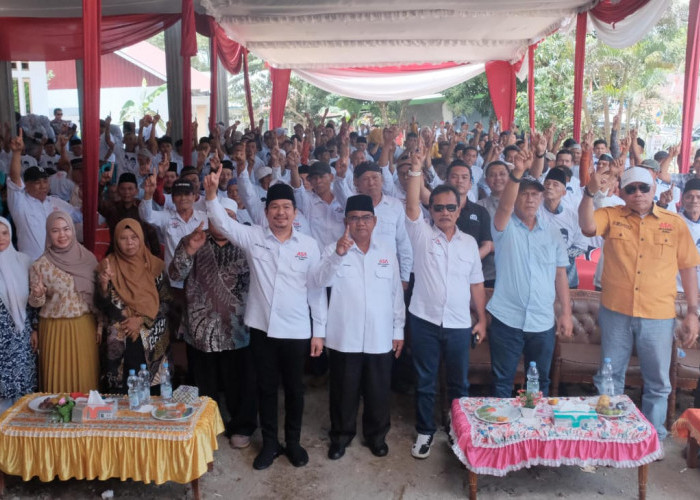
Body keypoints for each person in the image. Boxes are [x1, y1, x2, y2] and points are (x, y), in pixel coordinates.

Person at [203, 168, 327, 471]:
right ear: (266, 211)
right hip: (262, 329)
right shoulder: (254, 237)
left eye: (286, 207)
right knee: (267, 388)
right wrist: (210, 195)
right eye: (275, 207)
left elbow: (316, 292)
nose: (281, 213)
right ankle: (270, 444)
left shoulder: (308, 245)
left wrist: (319, 332)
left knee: (295, 390)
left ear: (295, 212)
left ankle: (293, 443)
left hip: (298, 330)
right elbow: (222, 223)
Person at [579, 166, 700, 440]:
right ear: (621, 192)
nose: (638, 194)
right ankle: (610, 433)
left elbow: (689, 268)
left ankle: (652, 436)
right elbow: (587, 226)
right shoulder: (611, 215)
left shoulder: (675, 223)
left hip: (658, 315)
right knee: (610, 377)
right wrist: (589, 192)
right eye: (631, 189)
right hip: (616, 313)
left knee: (658, 381)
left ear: (654, 189)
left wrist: (693, 312)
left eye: (643, 188)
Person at [405, 150, 487, 459]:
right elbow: (412, 205)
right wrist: (416, 171)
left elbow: (476, 283)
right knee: (425, 382)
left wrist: (481, 319)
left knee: (458, 383)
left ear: (459, 208)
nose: (444, 213)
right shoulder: (422, 235)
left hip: (458, 324)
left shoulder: (468, 243)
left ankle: (458, 432)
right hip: (424, 320)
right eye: (438, 208)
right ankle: (425, 431)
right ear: (431, 210)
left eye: (450, 207)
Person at [311, 194, 405, 460]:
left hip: (380, 335)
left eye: (366, 218)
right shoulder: (333, 249)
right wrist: (338, 256)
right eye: (354, 218)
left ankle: (376, 437)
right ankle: (341, 437)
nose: (360, 223)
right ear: (346, 221)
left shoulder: (386, 252)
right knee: (343, 391)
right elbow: (318, 282)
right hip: (344, 336)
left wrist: (398, 331)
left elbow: (396, 294)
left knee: (378, 391)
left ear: (374, 221)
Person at [169, 199, 257, 449]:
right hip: (200, 329)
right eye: (216, 216)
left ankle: (241, 426)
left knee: (239, 382)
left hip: (238, 329)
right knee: (204, 384)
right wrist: (189, 251)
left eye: (227, 215)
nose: (221, 221)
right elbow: (175, 275)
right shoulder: (192, 240)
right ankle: (205, 427)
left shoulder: (247, 242)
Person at [487, 151, 573, 399]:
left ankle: (535, 432)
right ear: (515, 198)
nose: (530, 199)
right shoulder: (503, 226)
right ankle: (502, 435)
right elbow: (504, 206)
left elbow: (560, 275)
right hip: (507, 319)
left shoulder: (553, 233)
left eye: (535, 194)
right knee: (502, 382)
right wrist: (517, 172)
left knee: (538, 383)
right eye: (524, 193)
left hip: (542, 320)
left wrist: (566, 313)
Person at [96, 219, 170, 393]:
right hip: (121, 337)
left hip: (151, 337)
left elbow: (166, 303)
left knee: (153, 395)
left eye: (134, 237)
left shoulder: (155, 266)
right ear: (116, 240)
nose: (129, 242)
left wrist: (141, 319)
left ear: (141, 239)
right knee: (122, 392)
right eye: (123, 238)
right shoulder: (107, 267)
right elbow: (101, 306)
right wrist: (104, 286)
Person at [29, 211, 99, 393]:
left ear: (72, 230)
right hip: (54, 329)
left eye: (66, 229)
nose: (62, 235)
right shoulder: (40, 265)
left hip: (83, 326)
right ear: (48, 234)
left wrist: (101, 326)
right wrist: (37, 295)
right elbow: (36, 304)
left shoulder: (88, 259)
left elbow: (99, 297)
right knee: (57, 380)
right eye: (55, 230)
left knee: (84, 378)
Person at [7, 129, 82, 260]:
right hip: (32, 265)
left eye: (45, 181)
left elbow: (80, 215)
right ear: (26, 185)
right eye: (37, 182)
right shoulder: (20, 202)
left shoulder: (55, 201)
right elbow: (14, 177)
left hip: (59, 265)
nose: (43, 186)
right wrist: (17, 153)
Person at [0, 217, 37, 412]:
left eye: (4, 233)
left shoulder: (24, 261)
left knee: (23, 388)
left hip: (20, 335)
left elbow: (32, 301)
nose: (1, 238)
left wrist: (34, 329)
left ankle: (20, 435)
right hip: (1, 337)